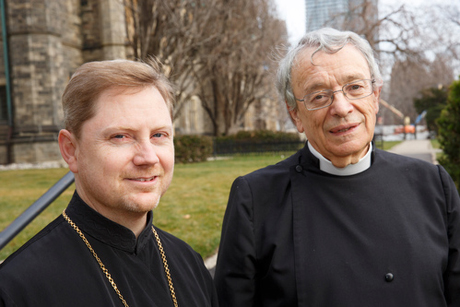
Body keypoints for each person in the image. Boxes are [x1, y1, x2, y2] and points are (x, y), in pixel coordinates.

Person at [214, 28, 460, 306]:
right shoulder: (256, 199)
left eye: (355, 87)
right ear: (295, 114)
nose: (342, 107)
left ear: (376, 95)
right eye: (319, 96)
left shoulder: (433, 185)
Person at [0, 59, 218, 306]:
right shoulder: (18, 288)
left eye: (159, 135)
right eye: (120, 136)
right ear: (71, 150)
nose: (148, 157)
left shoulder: (188, 262)